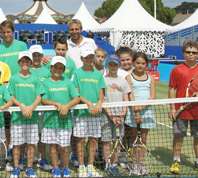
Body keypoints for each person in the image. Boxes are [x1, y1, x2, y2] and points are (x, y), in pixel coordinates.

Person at [168, 41, 198, 176]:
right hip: (180, 110)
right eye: (188, 52)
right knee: (178, 136)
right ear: (183, 53)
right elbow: (172, 88)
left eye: (194, 52)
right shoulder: (176, 69)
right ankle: (176, 160)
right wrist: (172, 108)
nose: (191, 54)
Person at [40, 56, 81, 178]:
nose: (58, 70)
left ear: (64, 70)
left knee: (63, 147)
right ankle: (56, 169)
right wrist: (57, 104)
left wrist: (66, 106)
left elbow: (77, 98)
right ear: (51, 68)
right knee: (52, 146)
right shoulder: (46, 82)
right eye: (55, 67)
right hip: (50, 121)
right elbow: (43, 100)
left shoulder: (68, 82)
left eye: (61, 68)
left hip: (65, 121)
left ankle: (66, 168)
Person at [72, 47, 105, 178]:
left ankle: (90, 166)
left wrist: (99, 102)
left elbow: (101, 92)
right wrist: (89, 103)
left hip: (95, 114)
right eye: (86, 57)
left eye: (91, 57)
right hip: (81, 114)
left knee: (93, 140)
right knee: (80, 140)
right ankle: (81, 167)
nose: (89, 59)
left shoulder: (98, 74)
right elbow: (76, 93)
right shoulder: (77, 73)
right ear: (82, 59)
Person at [8, 51, 42, 178]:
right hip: (17, 118)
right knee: (16, 144)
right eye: (22, 60)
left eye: (27, 60)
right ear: (18, 63)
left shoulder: (35, 79)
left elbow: (38, 98)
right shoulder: (13, 78)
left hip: (32, 118)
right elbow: (11, 97)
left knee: (31, 144)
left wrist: (31, 108)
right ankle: (16, 168)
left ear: (31, 62)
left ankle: (29, 168)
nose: (25, 63)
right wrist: (21, 105)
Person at [124, 52, 156, 176]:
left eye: (143, 63)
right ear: (133, 63)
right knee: (133, 139)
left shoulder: (151, 78)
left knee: (143, 139)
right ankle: (134, 164)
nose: (140, 65)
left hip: (146, 112)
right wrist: (136, 110)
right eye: (138, 63)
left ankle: (140, 163)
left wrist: (141, 108)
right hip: (133, 111)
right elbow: (130, 94)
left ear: (146, 64)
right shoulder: (129, 77)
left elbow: (152, 96)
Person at [100, 54, 131, 176]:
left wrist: (122, 115)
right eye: (110, 64)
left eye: (115, 64)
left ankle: (115, 164)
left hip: (120, 117)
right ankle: (107, 164)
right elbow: (101, 99)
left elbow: (126, 99)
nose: (113, 67)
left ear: (119, 66)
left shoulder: (123, 81)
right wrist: (111, 115)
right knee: (106, 141)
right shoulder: (103, 80)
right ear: (106, 65)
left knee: (117, 142)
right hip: (107, 116)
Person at [28, 45, 52, 171]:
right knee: (29, 136)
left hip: (44, 109)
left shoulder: (48, 71)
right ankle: (28, 158)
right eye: (34, 55)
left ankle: (42, 159)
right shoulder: (26, 70)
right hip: (30, 109)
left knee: (41, 136)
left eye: (38, 55)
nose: (36, 58)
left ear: (42, 57)